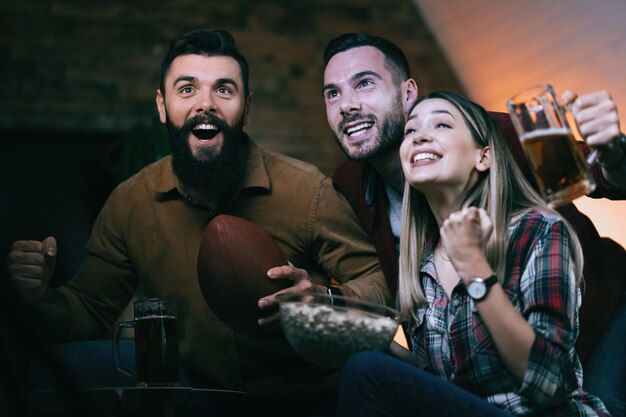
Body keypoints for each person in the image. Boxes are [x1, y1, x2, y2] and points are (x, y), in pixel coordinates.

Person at [5, 29, 390, 415]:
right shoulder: (130, 201)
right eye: (186, 89)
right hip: (196, 393)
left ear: (248, 108)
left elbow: (379, 285)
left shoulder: (308, 190)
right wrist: (41, 297)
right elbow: (88, 311)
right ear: (162, 104)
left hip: (306, 399)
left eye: (224, 90)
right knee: (35, 369)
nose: (205, 105)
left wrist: (323, 299)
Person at [322, 33, 626, 416]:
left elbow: (602, 171)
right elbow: (444, 367)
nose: (347, 105)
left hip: (602, 314)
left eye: (364, 83)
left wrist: (613, 152)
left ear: (406, 91)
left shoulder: (499, 140)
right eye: (332, 94)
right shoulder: (361, 197)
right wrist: (351, 322)